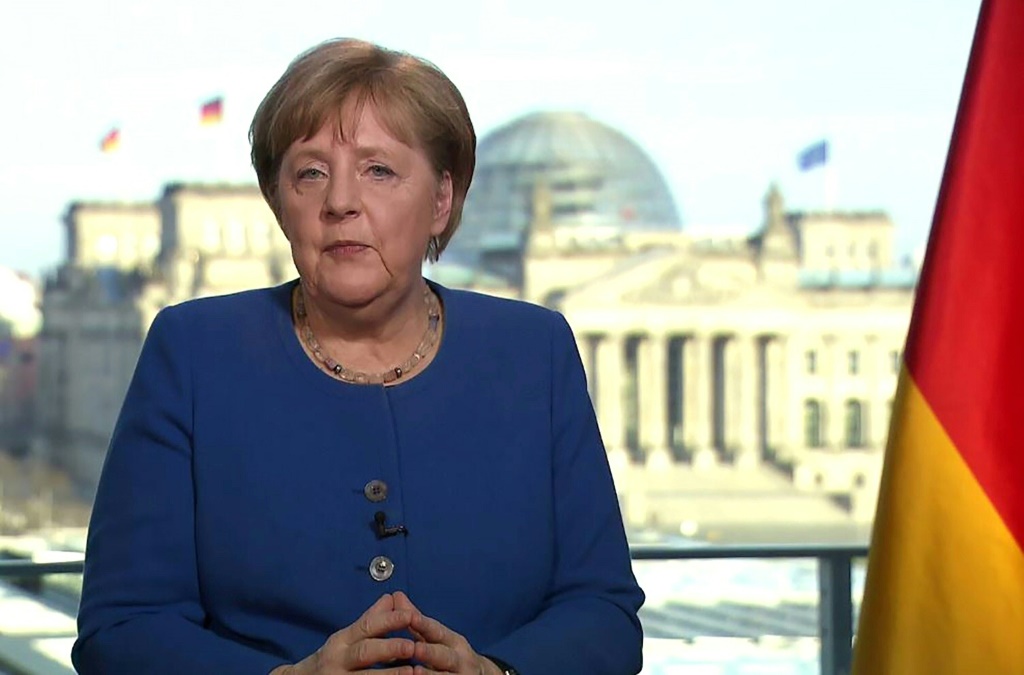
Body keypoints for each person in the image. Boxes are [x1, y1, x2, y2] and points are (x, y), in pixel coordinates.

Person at [72, 38, 644, 675]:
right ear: (279, 204)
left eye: (378, 170)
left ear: (442, 200)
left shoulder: (535, 350)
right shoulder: (193, 351)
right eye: (310, 173)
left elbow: (604, 613)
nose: (340, 201)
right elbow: (120, 631)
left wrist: (498, 673)